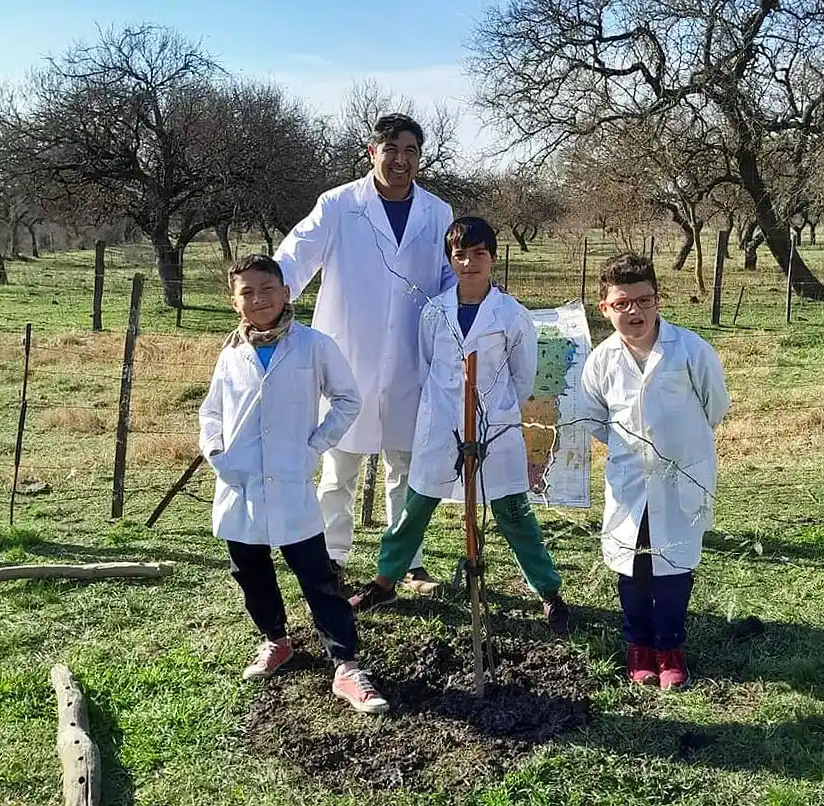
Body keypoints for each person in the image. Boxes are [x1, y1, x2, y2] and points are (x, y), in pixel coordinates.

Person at [349, 216, 571, 635]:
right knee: (415, 508)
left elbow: (523, 376)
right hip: (441, 424)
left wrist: (496, 409)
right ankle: (385, 581)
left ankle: (548, 592)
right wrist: (446, 406)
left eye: (479, 254)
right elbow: (426, 364)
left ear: (493, 257)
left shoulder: (511, 315)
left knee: (513, 513)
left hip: (495, 427)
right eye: (460, 254)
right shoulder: (434, 311)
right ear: (450, 259)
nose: (469, 263)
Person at [199, 253, 388, 714]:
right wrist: (218, 453)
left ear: (286, 294)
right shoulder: (231, 354)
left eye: (267, 289)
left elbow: (347, 399)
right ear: (234, 302)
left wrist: (314, 446)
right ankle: (276, 640)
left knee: (317, 576)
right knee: (250, 572)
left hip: (290, 481)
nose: (259, 299)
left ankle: (346, 665)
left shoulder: (313, 346)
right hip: (239, 485)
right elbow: (211, 412)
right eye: (247, 292)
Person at [274, 113, 454, 593]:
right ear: (371, 152)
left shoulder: (437, 212)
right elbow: (297, 255)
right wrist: (268, 297)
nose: (400, 160)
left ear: (420, 157)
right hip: (347, 356)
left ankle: (407, 562)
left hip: (411, 359)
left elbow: (450, 274)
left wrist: (472, 306)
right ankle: (332, 558)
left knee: (407, 468)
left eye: (410, 151)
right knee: (338, 468)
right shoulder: (339, 205)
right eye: (390, 149)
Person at [579, 253, 729, 689]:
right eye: (621, 303)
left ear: (658, 300)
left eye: (643, 301)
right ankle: (639, 644)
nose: (634, 312)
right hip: (630, 481)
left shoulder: (691, 350)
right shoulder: (601, 361)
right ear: (605, 308)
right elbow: (593, 419)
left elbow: (714, 406)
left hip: (682, 477)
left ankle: (670, 646)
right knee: (632, 565)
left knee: (675, 564)